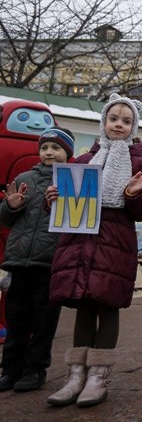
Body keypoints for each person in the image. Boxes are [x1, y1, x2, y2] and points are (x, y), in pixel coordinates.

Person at [46, 94, 142, 408]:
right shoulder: (82, 161)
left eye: (126, 121)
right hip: (80, 245)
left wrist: (132, 193)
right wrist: (52, 200)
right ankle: (75, 376)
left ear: (134, 126)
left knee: (108, 307)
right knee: (83, 306)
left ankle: (97, 377)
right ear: (103, 122)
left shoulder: (139, 165)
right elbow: (65, 209)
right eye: (113, 119)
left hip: (113, 246)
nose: (119, 125)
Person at [0, 128, 74, 393]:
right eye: (44, 148)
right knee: (16, 319)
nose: (49, 153)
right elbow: (5, 218)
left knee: (44, 320)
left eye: (56, 148)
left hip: (50, 262)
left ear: (68, 153)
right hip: (19, 260)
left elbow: (77, 219)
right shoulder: (24, 179)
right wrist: (12, 205)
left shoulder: (72, 181)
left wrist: (59, 204)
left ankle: (35, 370)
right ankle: (10, 370)